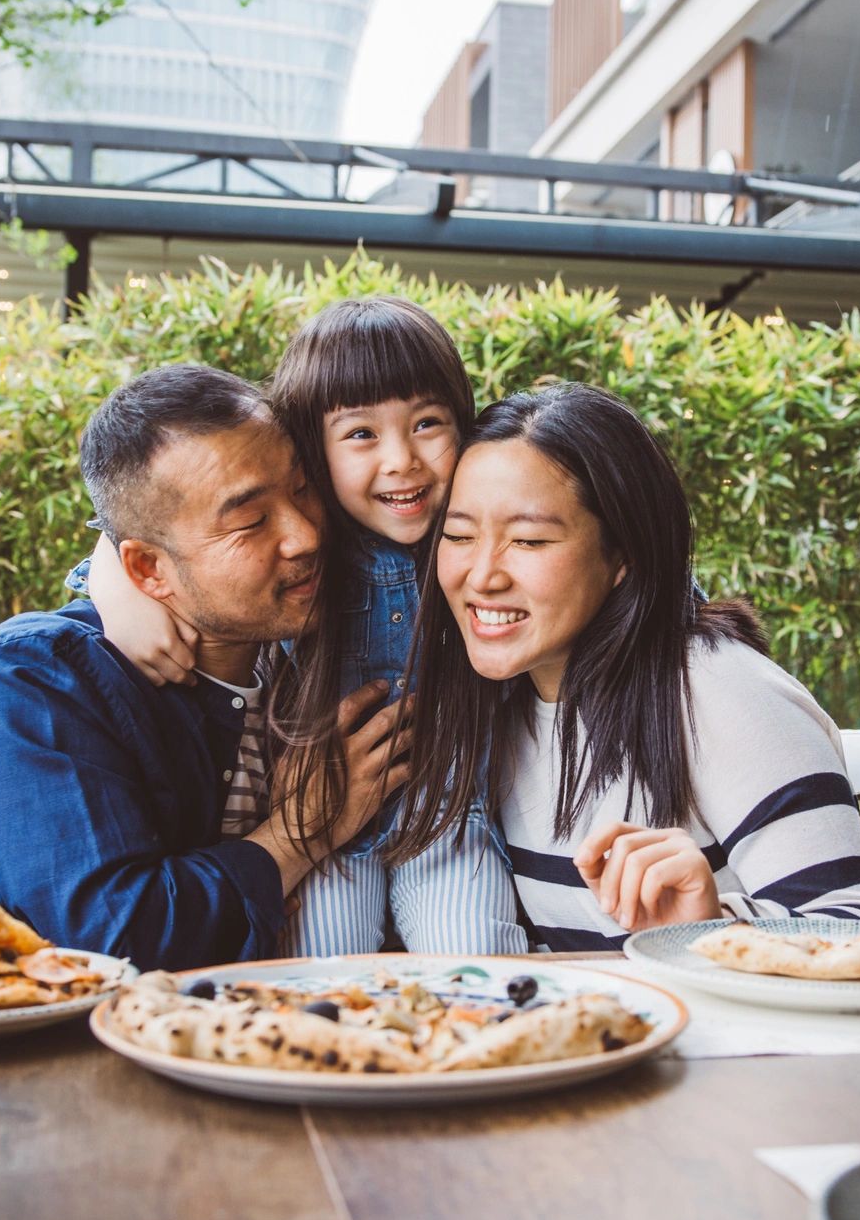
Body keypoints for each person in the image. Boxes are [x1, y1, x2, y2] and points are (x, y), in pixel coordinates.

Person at [0, 365, 408, 969]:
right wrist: (296, 837)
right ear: (146, 570)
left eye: (301, 489)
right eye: (249, 522)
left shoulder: (316, 655)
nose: (305, 535)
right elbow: (110, 941)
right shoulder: (35, 678)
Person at [78, 298, 526, 957]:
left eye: (427, 422)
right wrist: (112, 587)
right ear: (311, 452)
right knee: (319, 977)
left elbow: (579, 544)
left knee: (475, 961)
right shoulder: (310, 550)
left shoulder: (470, 534)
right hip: (321, 815)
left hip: (445, 813)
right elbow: (142, 541)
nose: (402, 460)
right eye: (361, 435)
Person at [392, 383, 860, 951]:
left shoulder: (715, 689)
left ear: (623, 554)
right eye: (459, 535)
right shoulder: (495, 707)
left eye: (529, 541)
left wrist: (710, 927)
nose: (482, 575)